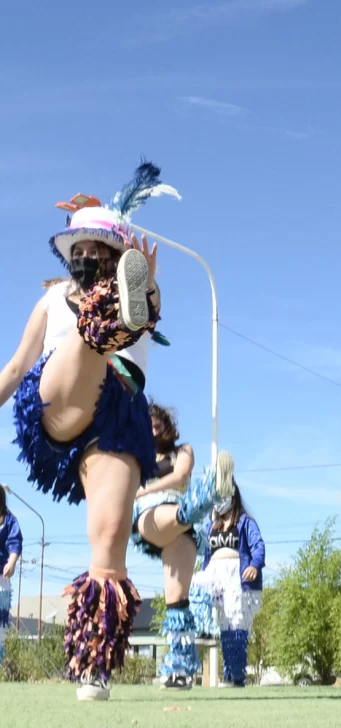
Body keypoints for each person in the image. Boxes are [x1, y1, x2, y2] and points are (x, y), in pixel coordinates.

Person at [0, 162, 228, 702]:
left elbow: (154, 311)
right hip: (59, 398)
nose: (84, 256)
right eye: (76, 250)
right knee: (90, 336)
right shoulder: (51, 300)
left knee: (108, 541)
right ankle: (103, 324)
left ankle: (93, 665)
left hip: (120, 415)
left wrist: (147, 297)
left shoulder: (145, 295)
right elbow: (13, 370)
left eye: (96, 250)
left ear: (117, 255)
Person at [131, 403, 233, 690]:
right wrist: (143, 492)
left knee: (177, 603)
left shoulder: (183, 450)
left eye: (156, 423)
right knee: (171, 513)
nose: (152, 429)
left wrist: (144, 486)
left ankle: (179, 672)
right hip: (151, 515)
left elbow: (180, 477)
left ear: (166, 425)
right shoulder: (137, 455)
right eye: (147, 424)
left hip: (183, 527)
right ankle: (207, 496)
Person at [190, 477, 265, 688]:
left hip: (237, 575)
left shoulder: (245, 522)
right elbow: (200, 548)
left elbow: (258, 545)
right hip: (214, 572)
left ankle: (234, 675)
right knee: (196, 586)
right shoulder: (210, 525)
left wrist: (254, 565)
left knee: (233, 625)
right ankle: (204, 628)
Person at [0, 486, 23, 665]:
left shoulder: (9, 522)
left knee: (0, 626)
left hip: (1, 579)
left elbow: (15, 543)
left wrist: (12, 562)